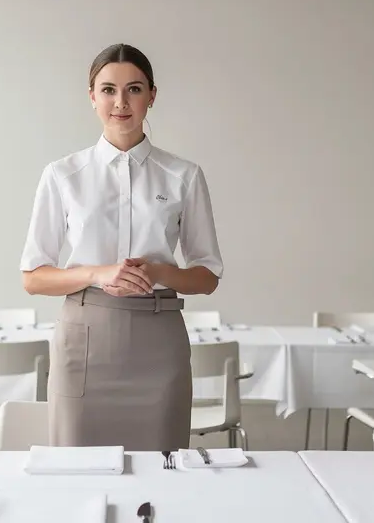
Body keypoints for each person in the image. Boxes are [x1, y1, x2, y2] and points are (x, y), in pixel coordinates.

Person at [19, 43, 223, 451]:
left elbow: (207, 276)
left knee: (162, 469)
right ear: (92, 96)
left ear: (152, 95)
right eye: (108, 90)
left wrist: (158, 272)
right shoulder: (62, 175)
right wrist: (98, 273)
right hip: (84, 340)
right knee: (77, 466)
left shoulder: (183, 175)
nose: (120, 102)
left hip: (160, 342)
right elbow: (33, 278)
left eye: (134, 89)